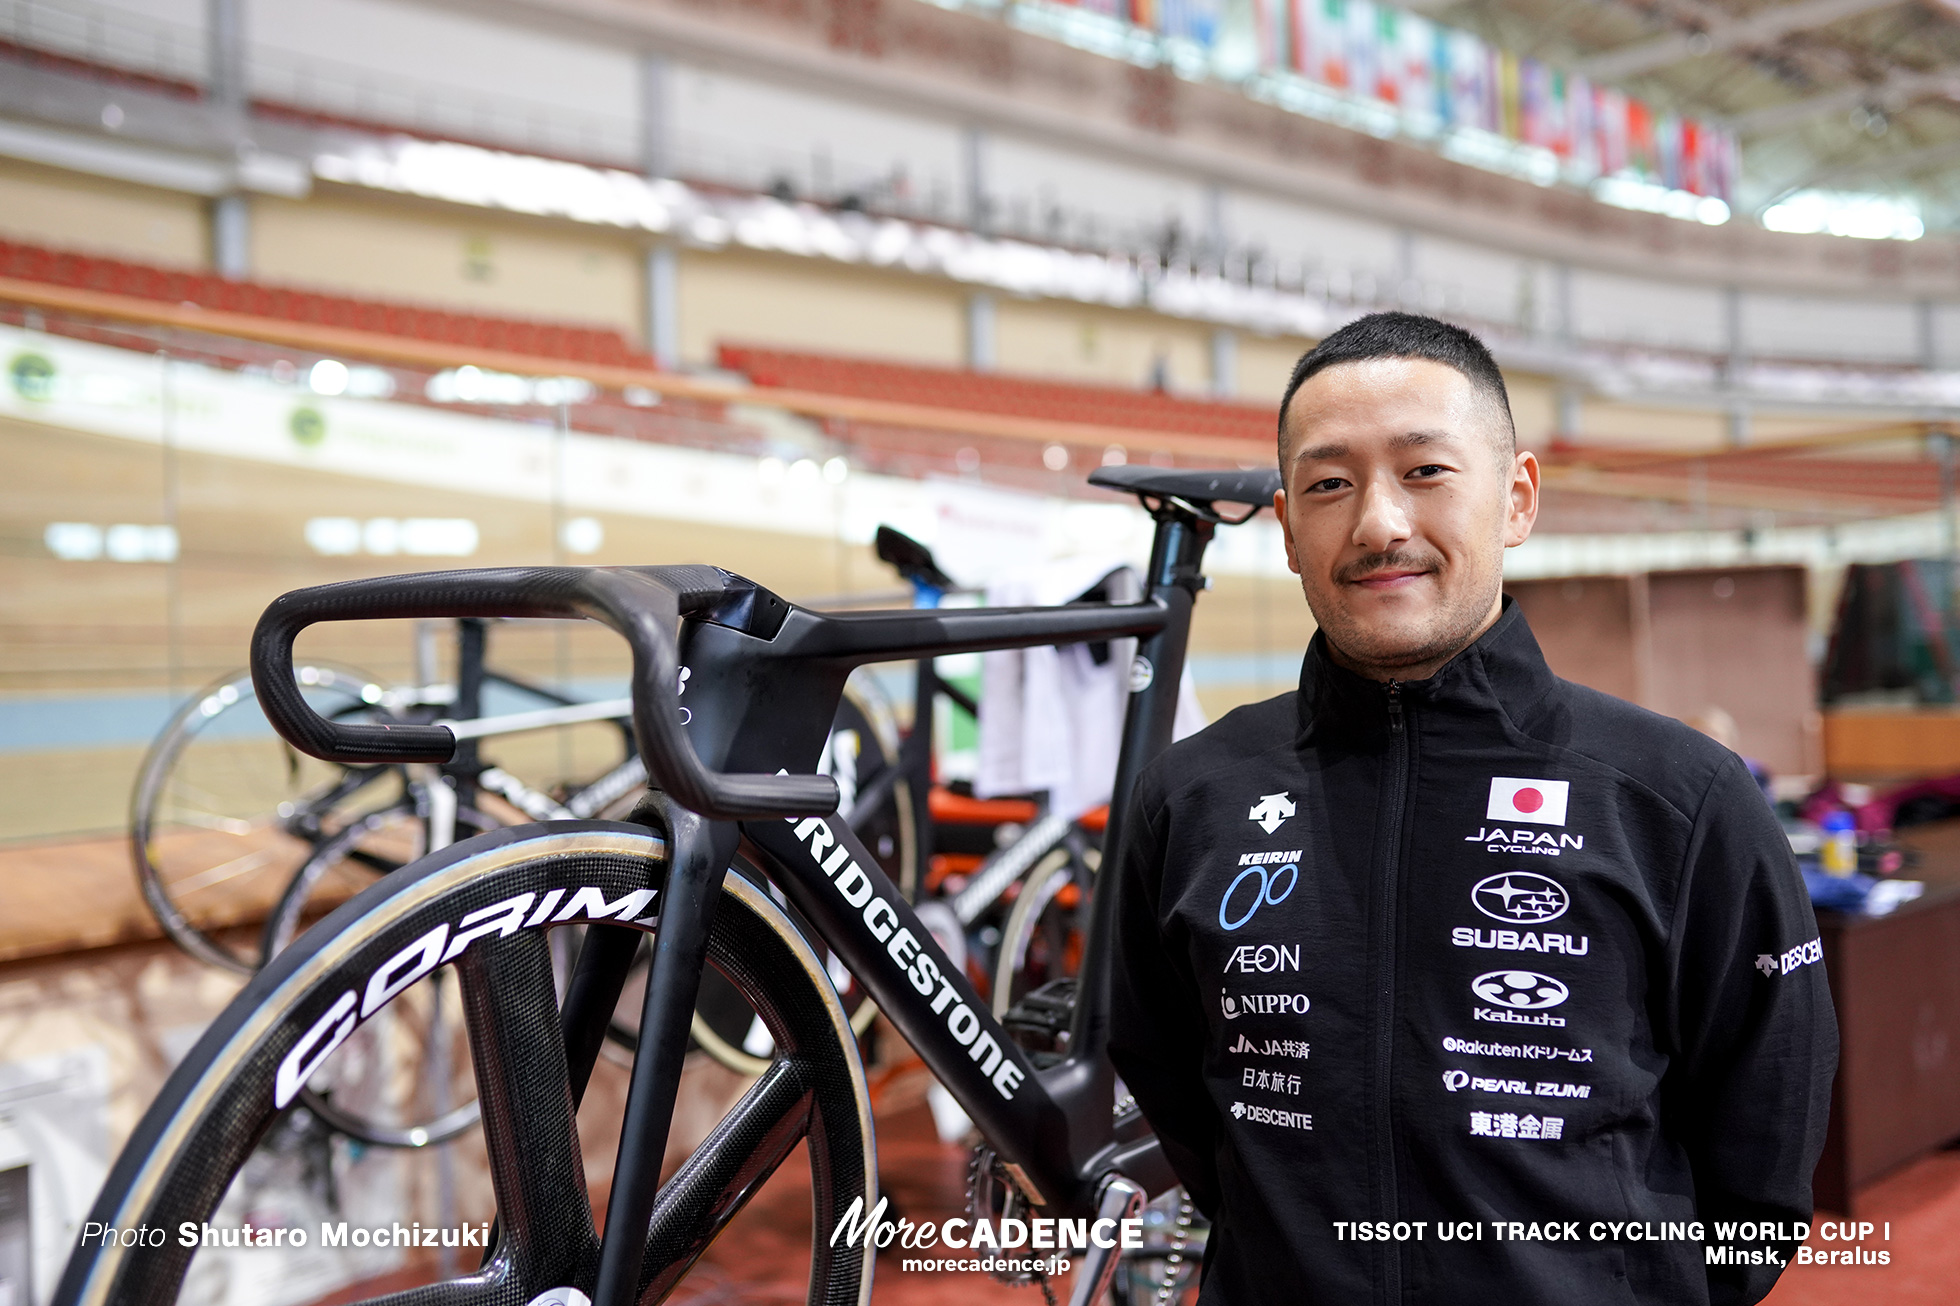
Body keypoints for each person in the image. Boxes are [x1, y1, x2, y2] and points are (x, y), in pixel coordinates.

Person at [1108, 312, 1836, 1306]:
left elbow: (1757, 1160)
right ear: (1285, 527)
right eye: (1328, 484)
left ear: (1516, 499)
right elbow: (1177, 1093)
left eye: (1424, 471)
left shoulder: (1680, 798)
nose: (1377, 524)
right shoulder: (1191, 795)